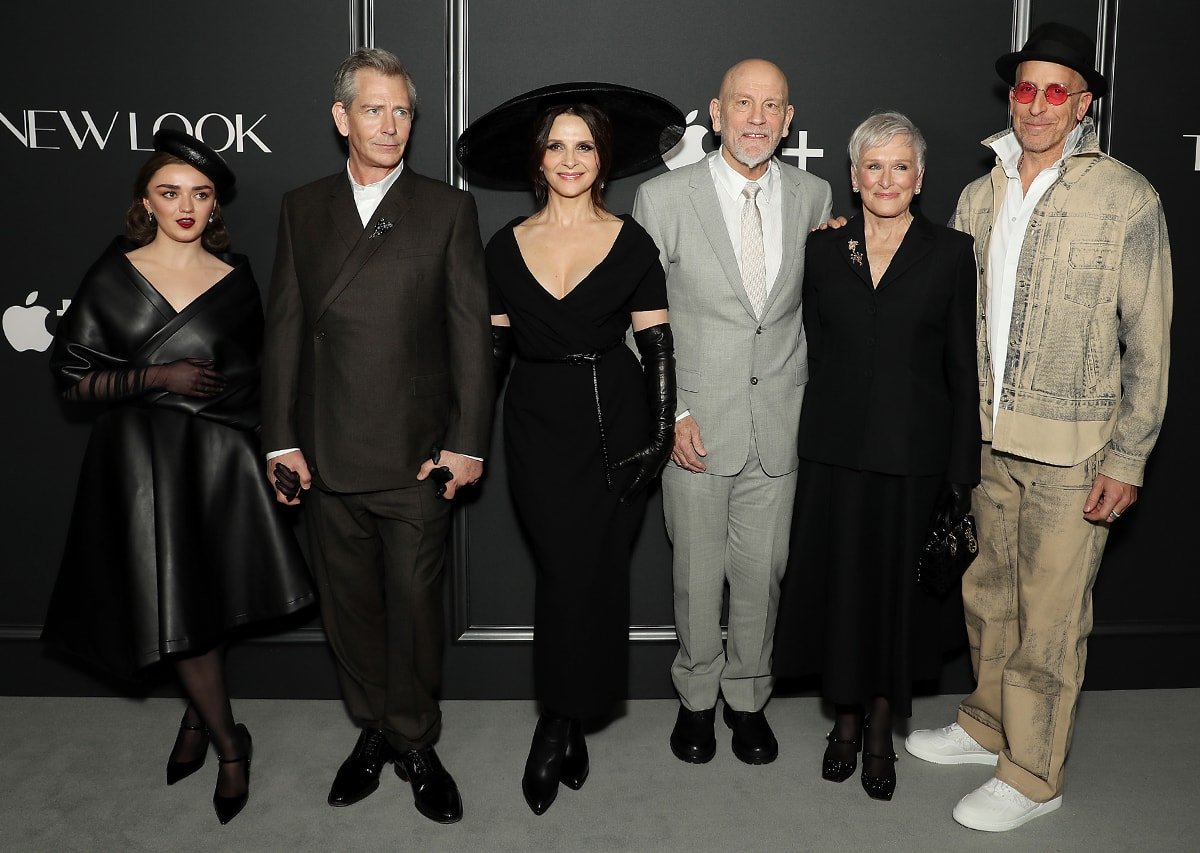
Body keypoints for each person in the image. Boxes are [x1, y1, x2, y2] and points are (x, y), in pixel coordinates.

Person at [904, 23, 1172, 832]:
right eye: (1025, 89)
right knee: (988, 596)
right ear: (1010, 98)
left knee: (1050, 619)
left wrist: (1128, 453)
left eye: (1057, 91)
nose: (1038, 105)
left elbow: (1150, 338)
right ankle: (988, 725)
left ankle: (1032, 774)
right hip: (986, 437)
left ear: (1082, 105)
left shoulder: (1127, 196)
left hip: (1073, 446)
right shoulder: (979, 193)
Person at [44, 129, 314, 825]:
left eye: (200, 195)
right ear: (146, 201)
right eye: (170, 193)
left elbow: (261, 380)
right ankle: (231, 742)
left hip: (219, 461)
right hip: (140, 463)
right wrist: (156, 375)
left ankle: (198, 721)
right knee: (178, 606)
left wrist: (277, 452)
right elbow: (71, 379)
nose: (186, 206)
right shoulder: (115, 272)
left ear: (215, 206)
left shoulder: (238, 277)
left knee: (202, 597)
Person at [260, 48, 492, 825]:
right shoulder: (302, 206)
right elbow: (285, 327)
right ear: (341, 119)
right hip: (325, 454)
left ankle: (416, 738)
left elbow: (469, 335)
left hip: (415, 454)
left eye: (401, 111)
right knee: (350, 610)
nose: (390, 124)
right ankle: (374, 731)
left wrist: (467, 441)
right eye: (373, 109)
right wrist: (279, 438)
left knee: (417, 612)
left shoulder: (446, 208)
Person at [456, 82, 683, 815]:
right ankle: (566, 715)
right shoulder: (504, 245)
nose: (569, 158)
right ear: (537, 158)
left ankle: (562, 721)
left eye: (583, 145)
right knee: (562, 573)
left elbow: (656, 344)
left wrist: (655, 433)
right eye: (555, 145)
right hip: (537, 421)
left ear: (603, 158)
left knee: (596, 577)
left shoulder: (632, 241)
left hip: (615, 418)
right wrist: (466, 437)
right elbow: (490, 354)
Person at [772, 112, 980, 801]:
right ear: (853, 176)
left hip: (916, 456)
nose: (886, 179)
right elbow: (816, 348)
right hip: (836, 452)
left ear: (918, 179)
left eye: (900, 166)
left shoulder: (952, 252)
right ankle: (845, 722)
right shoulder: (825, 250)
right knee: (844, 593)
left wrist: (960, 472)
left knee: (896, 600)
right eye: (872, 166)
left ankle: (883, 726)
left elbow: (961, 367)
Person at [633, 59, 833, 766]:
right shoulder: (662, 199)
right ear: (715, 114)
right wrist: (673, 411)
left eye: (770, 105)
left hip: (779, 422)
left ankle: (747, 699)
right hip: (696, 425)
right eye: (742, 103)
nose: (755, 117)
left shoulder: (815, 196)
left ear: (787, 118)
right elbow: (638, 320)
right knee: (694, 573)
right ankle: (695, 700)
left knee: (762, 573)